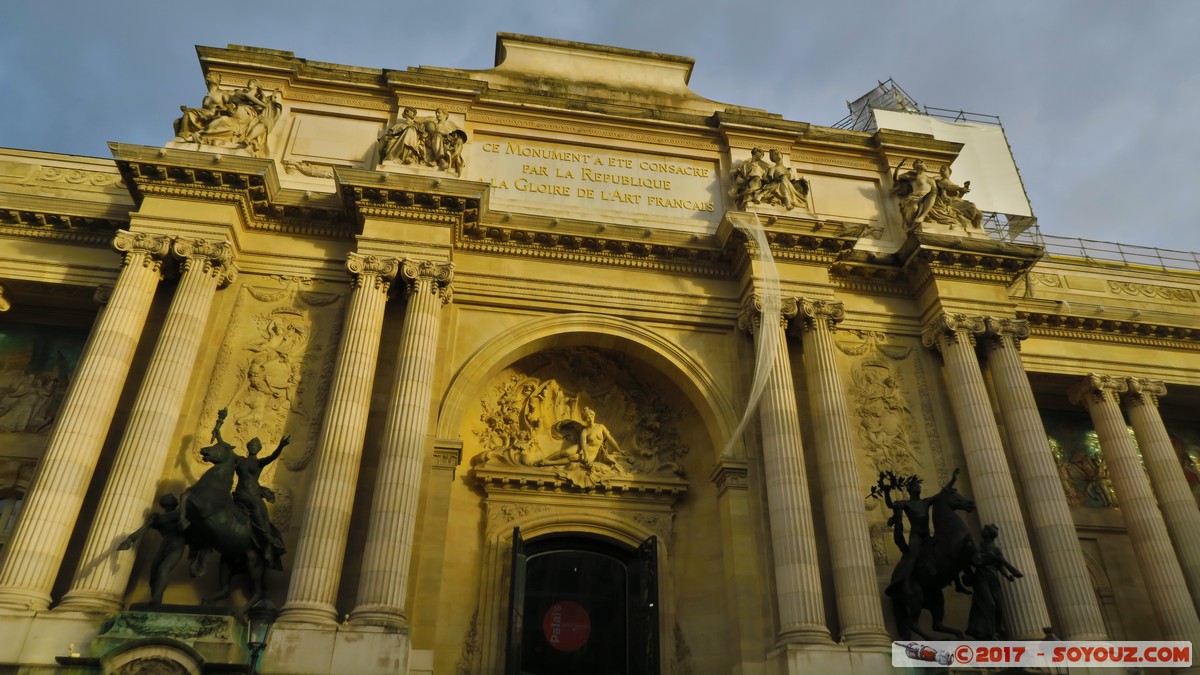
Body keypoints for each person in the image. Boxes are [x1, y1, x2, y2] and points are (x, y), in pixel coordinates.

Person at [884, 468, 961, 596]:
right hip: (916, 537)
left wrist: (953, 480)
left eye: (918, 485)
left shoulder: (925, 502)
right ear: (909, 489)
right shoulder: (906, 504)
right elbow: (891, 505)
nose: (918, 486)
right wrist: (887, 492)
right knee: (913, 556)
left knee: (946, 551)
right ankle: (906, 583)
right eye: (915, 485)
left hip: (927, 536)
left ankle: (957, 582)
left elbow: (941, 495)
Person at [232, 430, 290, 569]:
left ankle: (269, 539)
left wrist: (281, 446)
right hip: (239, 493)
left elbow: (272, 456)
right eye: (251, 444)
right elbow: (225, 449)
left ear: (258, 449)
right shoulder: (240, 460)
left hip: (252, 495)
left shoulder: (259, 463)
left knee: (260, 515)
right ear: (247, 446)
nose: (252, 447)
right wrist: (219, 426)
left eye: (255, 445)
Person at [119, 493, 187, 605]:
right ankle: (155, 597)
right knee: (154, 572)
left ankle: (157, 597)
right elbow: (155, 524)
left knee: (164, 568)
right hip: (165, 544)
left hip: (177, 544)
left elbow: (164, 520)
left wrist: (155, 520)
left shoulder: (178, 514)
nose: (171, 500)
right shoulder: (160, 518)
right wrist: (154, 520)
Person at [965, 523, 1024, 639]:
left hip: (993, 578)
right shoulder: (979, 546)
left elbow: (999, 565)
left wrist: (1007, 576)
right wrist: (995, 559)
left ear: (990, 534)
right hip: (981, 577)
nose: (983, 531)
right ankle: (989, 633)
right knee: (989, 604)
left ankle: (994, 629)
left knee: (998, 605)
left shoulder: (996, 550)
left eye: (985, 530)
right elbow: (977, 560)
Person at [536, 406, 622, 467]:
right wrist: (585, 454)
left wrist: (619, 450)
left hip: (593, 453)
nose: (590, 418)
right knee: (566, 452)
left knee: (572, 457)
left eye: (591, 416)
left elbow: (610, 438)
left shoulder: (601, 426)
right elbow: (583, 444)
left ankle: (547, 463)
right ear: (585, 420)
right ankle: (545, 459)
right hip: (583, 449)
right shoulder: (584, 431)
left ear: (593, 416)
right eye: (587, 417)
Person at [891, 158, 937, 231]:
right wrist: (898, 168)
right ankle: (910, 223)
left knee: (933, 194)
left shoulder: (930, 179)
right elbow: (896, 179)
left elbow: (935, 191)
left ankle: (922, 216)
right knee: (914, 208)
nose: (925, 165)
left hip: (926, 198)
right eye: (923, 163)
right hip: (914, 198)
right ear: (918, 165)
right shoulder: (912, 176)